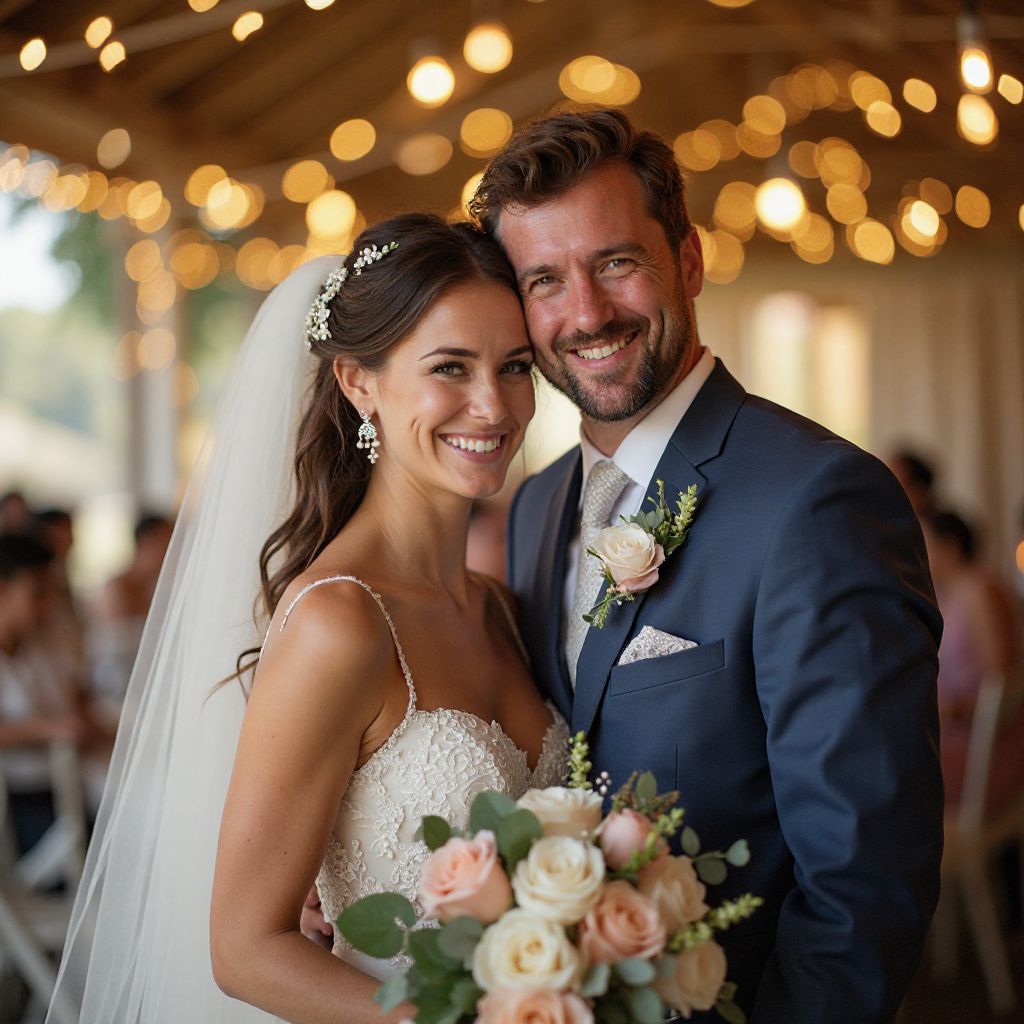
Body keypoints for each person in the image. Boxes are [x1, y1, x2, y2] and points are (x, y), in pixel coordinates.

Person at [470, 108, 944, 1023]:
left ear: (687, 262)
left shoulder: (818, 500)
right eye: (545, 281)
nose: (588, 313)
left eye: (616, 262)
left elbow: (862, 884)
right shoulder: (534, 510)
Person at [48, 214, 568, 1023]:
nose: (492, 405)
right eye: (450, 367)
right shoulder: (342, 622)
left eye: (514, 367)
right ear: (360, 383)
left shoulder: (498, 607)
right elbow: (246, 949)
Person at [923, 509, 1020, 805]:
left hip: (986, 749)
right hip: (960, 739)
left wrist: (950, 712)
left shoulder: (980, 591)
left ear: (949, 547)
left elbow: (1003, 687)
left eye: (923, 542)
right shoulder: (945, 593)